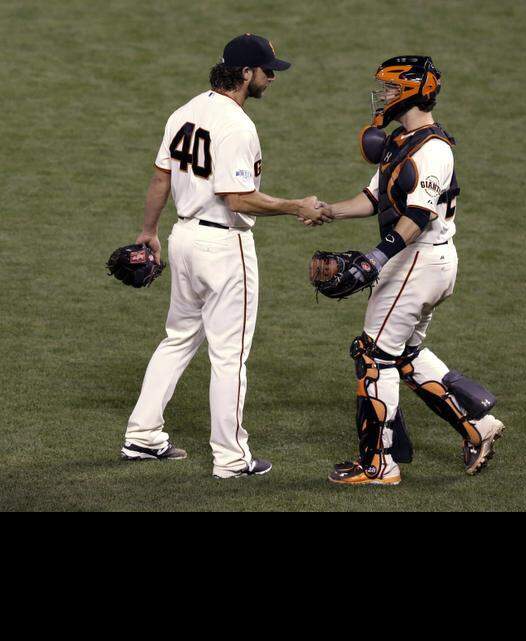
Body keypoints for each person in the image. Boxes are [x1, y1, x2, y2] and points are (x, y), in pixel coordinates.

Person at [120, 34, 332, 479]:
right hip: (222, 246)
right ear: (244, 74)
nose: (272, 77)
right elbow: (237, 199)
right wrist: (296, 206)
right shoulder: (237, 125)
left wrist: (148, 232)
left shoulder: (185, 111)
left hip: (181, 239)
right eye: (266, 70)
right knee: (229, 356)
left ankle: (142, 434)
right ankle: (232, 459)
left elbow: (161, 180)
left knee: (177, 338)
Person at [314, 55, 504, 486]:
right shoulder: (404, 140)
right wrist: (328, 211)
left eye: (388, 88)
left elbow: (417, 217)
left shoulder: (434, 150)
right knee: (402, 354)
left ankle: (380, 465)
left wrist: (375, 259)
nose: (380, 96)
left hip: (418, 260)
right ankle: (478, 425)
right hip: (423, 261)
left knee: (373, 355)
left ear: (412, 91)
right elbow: (372, 199)